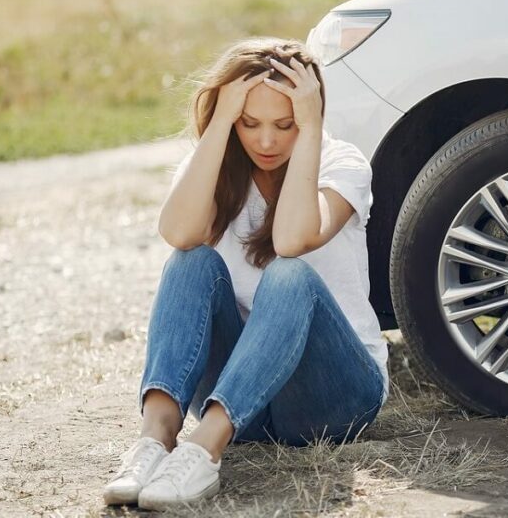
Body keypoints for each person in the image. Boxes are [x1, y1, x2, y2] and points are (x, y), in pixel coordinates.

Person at [102, 37, 389, 510]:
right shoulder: (214, 167)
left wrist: (312, 128)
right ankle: (154, 441)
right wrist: (218, 123)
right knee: (190, 260)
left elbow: (292, 240)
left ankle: (203, 449)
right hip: (244, 403)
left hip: (334, 396)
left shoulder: (342, 164)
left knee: (289, 274)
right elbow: (177, 232)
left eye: (285, 124)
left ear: (309, 115)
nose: (267, 141)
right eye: (250, 123)